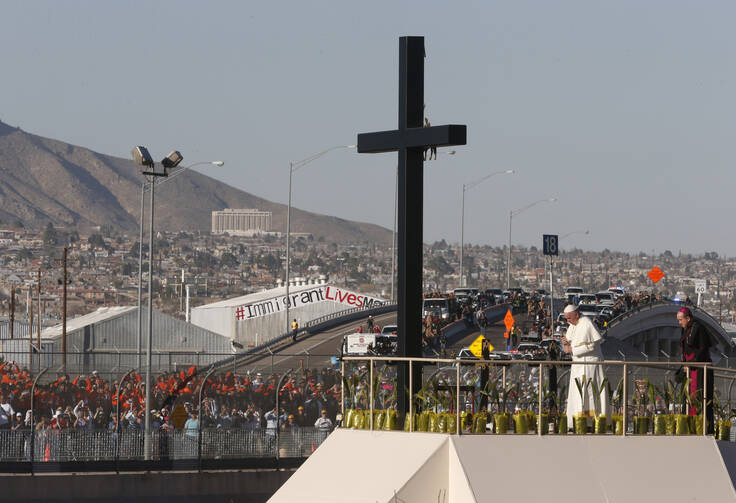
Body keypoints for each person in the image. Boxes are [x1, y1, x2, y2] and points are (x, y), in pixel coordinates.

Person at [561, 304, 608, 430]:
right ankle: (576, 421)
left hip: (590, 365)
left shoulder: (587, 323)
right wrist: (566, 343)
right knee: (577, 394)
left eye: (569, 318)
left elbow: (591, 346)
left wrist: (572, 349)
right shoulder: (573, 324)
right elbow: (569, 343)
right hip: (578, 365)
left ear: (576, 315)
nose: (567, 321)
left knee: (589, 394)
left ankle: (589, 422)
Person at [677, 307, 713, 432]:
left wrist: (690, 364)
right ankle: (688, 425)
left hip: (699, 369)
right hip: (690, 369)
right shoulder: (686, 329)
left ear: (688, 318)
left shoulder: (698, 329)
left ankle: (698, 427)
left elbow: (702, 350)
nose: (679, 322)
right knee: (688, 398)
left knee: (698, 398)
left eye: (681, 319)